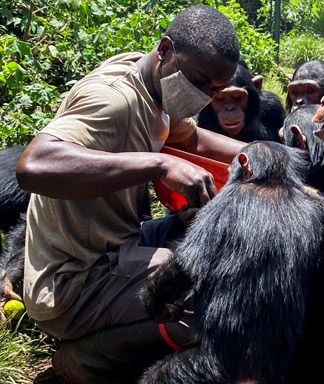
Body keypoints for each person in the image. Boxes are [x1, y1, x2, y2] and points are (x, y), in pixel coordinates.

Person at [14, 5, 244, 383]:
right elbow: (33, 166)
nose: (206, 97)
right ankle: (86, 361)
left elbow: (194, 137)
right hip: (74, 282)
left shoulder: (154, 82)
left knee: (209, 236)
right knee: (214, 301)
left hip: (117, 245)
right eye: (201, 82)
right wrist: (158, 164)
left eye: (215, 89)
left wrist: (263, 153)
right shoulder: (113, 101)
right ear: (166, 49)